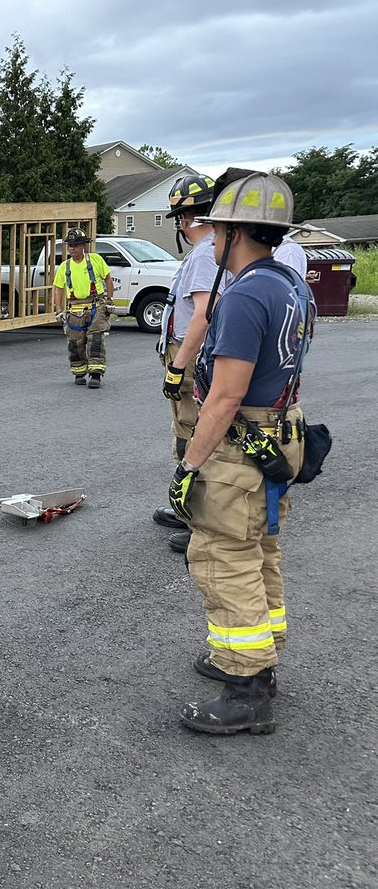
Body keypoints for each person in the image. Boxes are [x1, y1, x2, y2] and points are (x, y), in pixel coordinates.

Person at [167, 172, 321, 735]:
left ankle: (247, 687)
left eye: (215, 230)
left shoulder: (247, 294)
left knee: (223, 558)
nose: (208, 240)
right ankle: (261, 655)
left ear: (235, 232)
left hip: (240, 446)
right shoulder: (290, 285)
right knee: (261, 551)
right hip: (278, 437)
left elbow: (226, 396)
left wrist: (188, 468)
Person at [153, 174, 218, 550]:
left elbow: (203, 314)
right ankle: (188, 510)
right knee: (187, 430)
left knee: (195, 435)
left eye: (182, 216)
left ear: (191, 217)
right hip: (187, 352)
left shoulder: (206, 254)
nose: (181, 223)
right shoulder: (208, 251)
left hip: (190, 355)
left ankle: (202, 521)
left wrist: (178, 366)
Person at [52, 228, 115, 388]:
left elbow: (108, 278)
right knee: (75, 343)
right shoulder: (65, 267)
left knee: (96, 341)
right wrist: (59, 310)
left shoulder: (95, 260)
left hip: (96, 307)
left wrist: (109, 299)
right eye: (70, 245)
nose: (72, 248)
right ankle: (79, 372)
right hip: (74, 310)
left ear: (83, 246)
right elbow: (58, 289)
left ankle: (95, 374)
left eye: (76, 245)